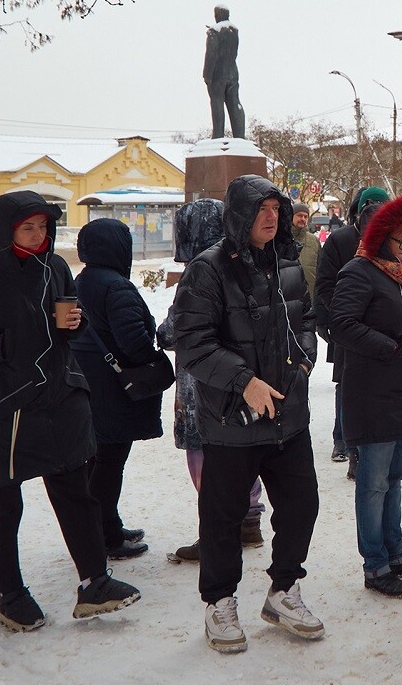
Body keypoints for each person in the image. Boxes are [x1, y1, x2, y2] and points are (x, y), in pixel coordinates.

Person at [0, 191, 140, 633]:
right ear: (4, 231)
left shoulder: (57, 268)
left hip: (60, 398)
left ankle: (94, 583)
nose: (39, 235)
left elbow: (67, 324)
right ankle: (10, 597)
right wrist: (5, 346)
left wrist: (77, 323)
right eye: (28, 227)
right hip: (4, 408)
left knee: (76, 493)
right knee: (3, 500)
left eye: (44, 227)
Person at [174, 174, 323, 653]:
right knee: (223, 519)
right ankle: (220, 602)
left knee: (302, 507)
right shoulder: (208, 269)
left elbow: (306, 324)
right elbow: (193, 344)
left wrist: (301, 363)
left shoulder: (289, 265)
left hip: (288, 418)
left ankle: (283, 590)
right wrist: (244, 382)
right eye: (261, 209)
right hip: (231, 423)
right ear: (238, 214)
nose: (271, 216)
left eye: (276, 208)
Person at [330, 195, 402, 598]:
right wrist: (389, 347)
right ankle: (375, 564)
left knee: (395, 478)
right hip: (374, 394)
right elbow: (339, 323)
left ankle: (396, 552)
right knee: (374, 482)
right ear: (381, 239)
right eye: (399, 241)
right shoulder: (359, 272)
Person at [159, 199, 266, 563]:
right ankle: (249, 522)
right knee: (239, 451)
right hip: (239, 381)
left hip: (200, 387)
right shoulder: (243, 266)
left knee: (204, 458)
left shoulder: (197, 273)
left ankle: (217, 536)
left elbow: (174, 332)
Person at [69, 219, 164, 560]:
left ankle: (103, 524)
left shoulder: (79, 281)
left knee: (97, 459)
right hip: (114, 388)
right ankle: (104, 535)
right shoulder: (116, 286)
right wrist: (153, 352)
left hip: (89, 383)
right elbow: (134, 342)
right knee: (110, 462)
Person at [315, 186, 390, 470]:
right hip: (349, 329)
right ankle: (345, 442)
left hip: (385, 331)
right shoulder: (340, 240)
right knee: (347, 387)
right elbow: (324, 284)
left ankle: (374, 448)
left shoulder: (395, 240)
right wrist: (341, 315)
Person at [204, 4, 245, 139]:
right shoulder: (234, 31)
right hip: (233, 71)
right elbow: (235, 52)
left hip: (218, 73)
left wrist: (207, 75)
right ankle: (240, 136)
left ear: (217, 16)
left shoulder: (214, 32)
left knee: (217, 102)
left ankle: (218, 136)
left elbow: (211, 54)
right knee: (235, 102)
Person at [291, 203, 322, 300]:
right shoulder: (282, 239)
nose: (303, 219)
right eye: (299, 215)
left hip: (311, 297)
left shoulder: (314, 241)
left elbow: (321, 269)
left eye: (305, 216)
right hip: (289, 297)